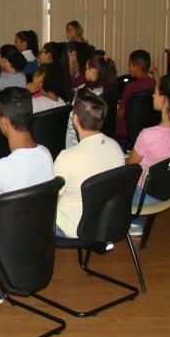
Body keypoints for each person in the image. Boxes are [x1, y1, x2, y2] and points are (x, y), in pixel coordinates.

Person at [0, 87, 54, 309]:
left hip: (5, 245)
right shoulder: (46, 154)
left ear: (3, 121)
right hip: (38, 238)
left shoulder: (0, 168)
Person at [126, 73, 170, 235]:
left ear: (163, 99)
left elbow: (131, 167)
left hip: (141, 197)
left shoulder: (148, 134)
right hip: (167, 190)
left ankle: (133, 221)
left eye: (155, 92)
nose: (152, 95)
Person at [54, 89, 126, 239]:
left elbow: (51, 197)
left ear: (75, 119)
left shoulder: (67, 157)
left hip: (73, 227)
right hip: (105, 220)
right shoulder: (115, 147)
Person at [65, 52, 119, 148]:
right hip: (103, 142)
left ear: (94, 70)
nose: (84, 72)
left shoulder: (84, 95)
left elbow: (72, 120)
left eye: (86, 69)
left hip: (79, 142)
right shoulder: (110, 91)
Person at [115, 50, 155, 141]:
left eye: (130, 65)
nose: (129, 69)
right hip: (146, 130)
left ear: (137, 68)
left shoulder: (131, 87)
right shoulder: (154, 84)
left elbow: (120, 114)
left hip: (127, 131)